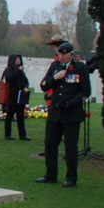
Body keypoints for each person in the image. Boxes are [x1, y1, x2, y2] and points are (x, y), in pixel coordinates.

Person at [37, 42, 91, 187]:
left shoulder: (80, 68)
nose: (61, 57)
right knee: (50, 144)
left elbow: (85, 91)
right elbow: (43, 85)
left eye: (65, 54)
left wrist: (72, 102)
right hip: (55, 112)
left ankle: (71, 177)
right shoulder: (55, 67)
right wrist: (55, 78)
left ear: (71, 55)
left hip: (71, 113)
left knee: (70, 147)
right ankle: (50, 174)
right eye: (59, 54)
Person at [2, 54, 30, 141]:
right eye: (17, 59)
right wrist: (18, 70)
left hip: (20, 95)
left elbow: (25, 81)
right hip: (11, 95)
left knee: (20, 116)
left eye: (19, 59)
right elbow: (10, 78)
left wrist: (26, 87)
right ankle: (8, 134)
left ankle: (23, 134)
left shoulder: (21, 71)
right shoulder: (8, 70)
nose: (19, 60)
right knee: (10, 115)